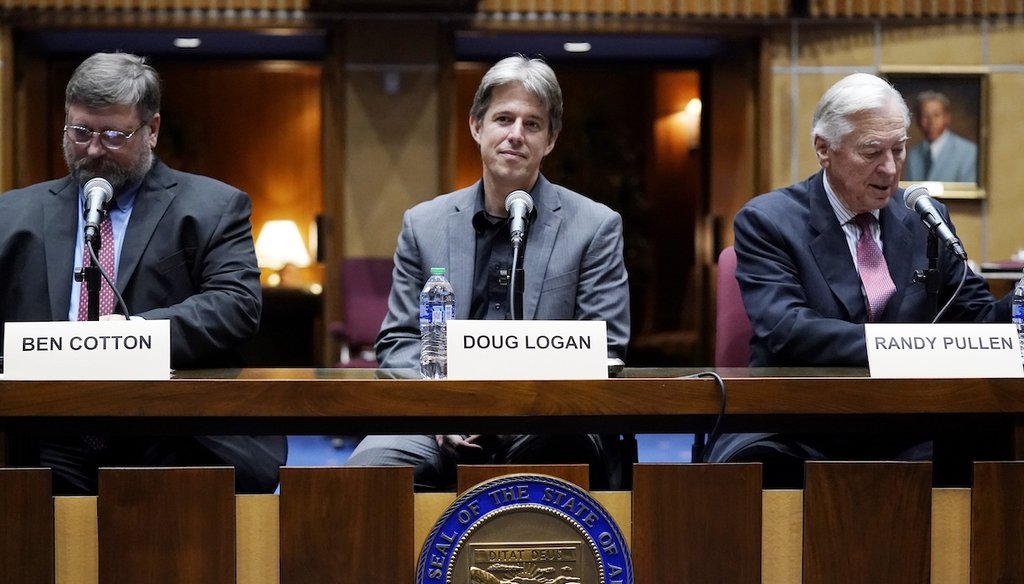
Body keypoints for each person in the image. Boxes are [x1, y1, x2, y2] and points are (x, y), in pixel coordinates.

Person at [0, 52, 287, 495]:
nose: (94, 149)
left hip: (167, 428)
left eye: (114, 134)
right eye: (81, 132)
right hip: (50, 434)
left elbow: (237, 304)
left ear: (151, 130)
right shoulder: (13, 214)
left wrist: (135, 334)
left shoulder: (212, 207)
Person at [707, 73, 1010, 487]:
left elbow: (977, 318)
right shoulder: (769, 221)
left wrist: (1018, 304)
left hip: (908, 421)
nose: (889, 168)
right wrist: (902, 347)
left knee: (989, 448)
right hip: (798, 423)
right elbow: (787, 330)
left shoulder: (925, 216)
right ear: (823, 149)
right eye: (872, 152)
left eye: (899, 149)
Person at [345, 54, 631, 489]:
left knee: (563, 455)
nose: (516, 135)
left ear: (550, 139)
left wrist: (518, 409)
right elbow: (400, 342)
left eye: (532, 124)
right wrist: (448, 408)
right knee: (371, 470)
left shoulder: (594, 226)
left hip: (547, 421)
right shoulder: (424, 225)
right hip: (441, 417)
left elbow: (605, 350)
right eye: (503, 118)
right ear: (477, 126)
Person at [903, 90, 978, 183]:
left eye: (936, 115)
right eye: (925, 116)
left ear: (947, 118)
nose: (931, 122)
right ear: (918, 120)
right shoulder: (913, 153)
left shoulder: (968, 152)